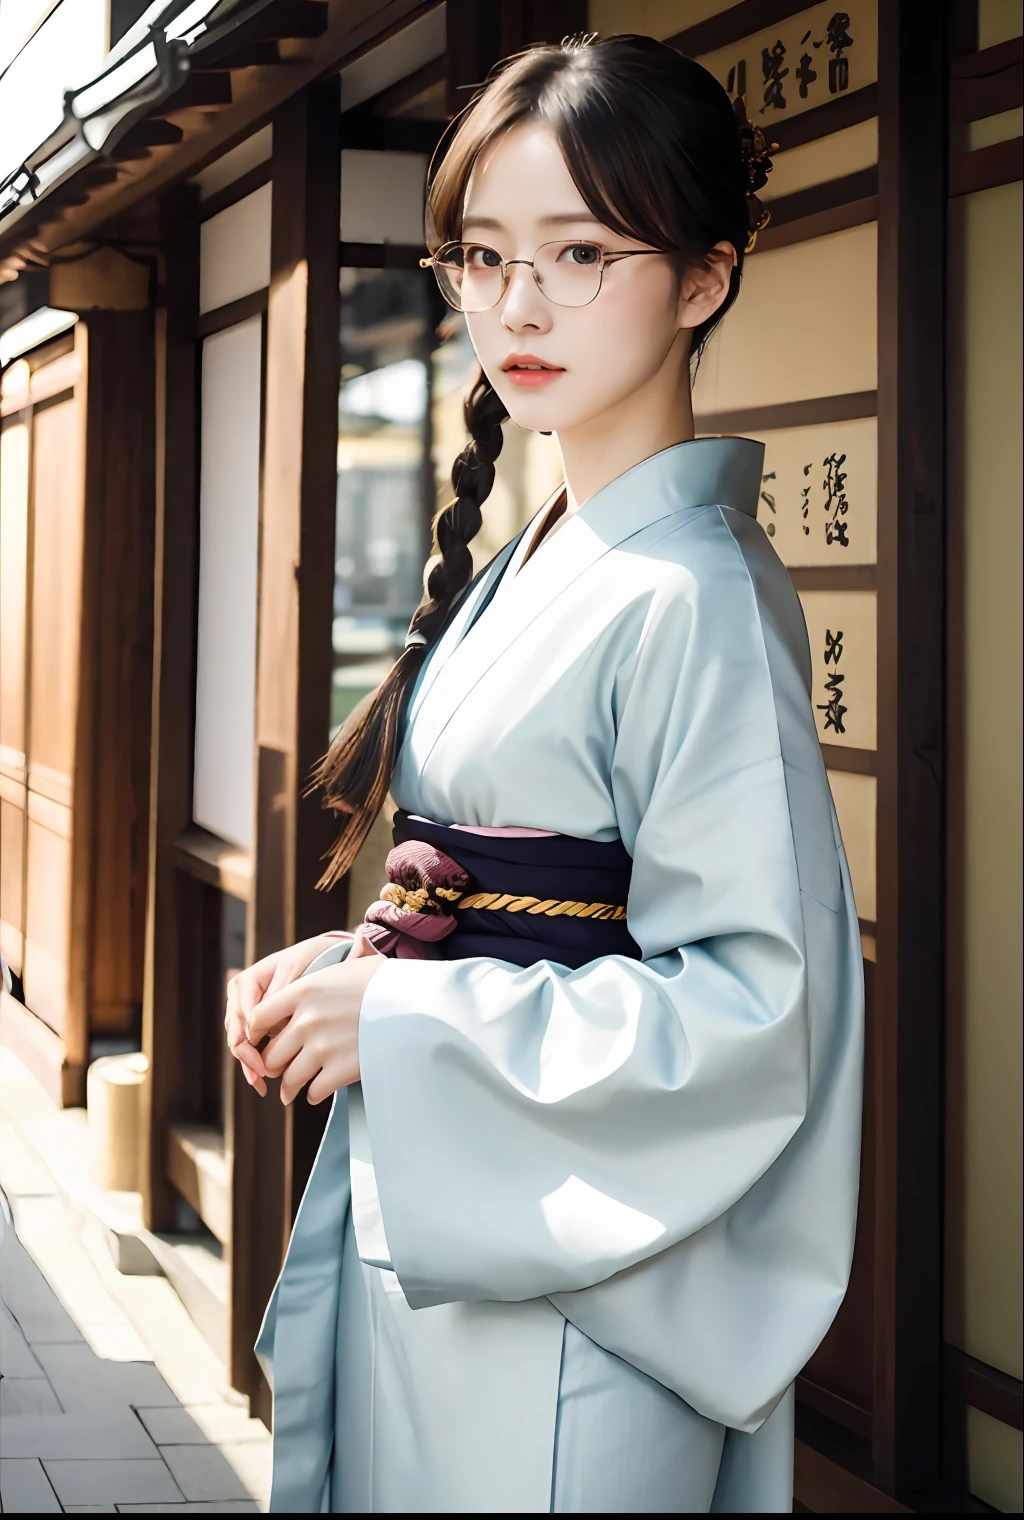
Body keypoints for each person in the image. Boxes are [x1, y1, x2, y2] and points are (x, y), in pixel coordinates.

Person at [225, 33, 863, 1514]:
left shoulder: (692, 593)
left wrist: (407, 1016)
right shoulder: (552, 553)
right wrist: (355, 966)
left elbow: (752, 1009)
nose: (518, 305)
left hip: (579, 1296)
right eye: (483, 256)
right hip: (473, 1226)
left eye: (580, 251)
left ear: (702, 279)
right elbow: (525, 900)